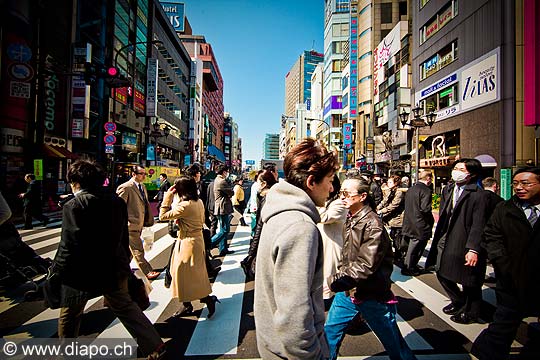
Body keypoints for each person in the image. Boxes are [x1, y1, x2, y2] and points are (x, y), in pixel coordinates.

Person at [52, 160, 165, 359]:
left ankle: (66, 353)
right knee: (125, 306)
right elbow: (123, 237)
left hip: (81, 269)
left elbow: (68, 244)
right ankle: (154, 345)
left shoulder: (74, 204)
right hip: (113, 265)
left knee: (70, 313)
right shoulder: (115, 201)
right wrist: (124, 260)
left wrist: (56, 271)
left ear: (75, 181)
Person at [254, 138, 338, 359]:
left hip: (273, 345)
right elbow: (294, 312)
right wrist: (312, 355)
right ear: (311, 181)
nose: (332, 187)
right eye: (329, 179)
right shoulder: (300, 226)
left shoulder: (279, 212)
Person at [324, 176, 417, 360]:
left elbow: (365, 265)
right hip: (348, 292)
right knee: (330, 333)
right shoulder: (351, 218)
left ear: (362, 196)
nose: (341, 197)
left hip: (371, 295)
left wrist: (334, 282)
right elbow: (348, 256)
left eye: (346, 194)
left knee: (394, 345)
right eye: (340, 192)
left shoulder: (373, 225)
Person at [471, 167, 540, 359]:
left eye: (525, 183)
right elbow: (491, 235)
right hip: (511, 275)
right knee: (505, 321)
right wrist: (501, 262)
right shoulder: (505, 208)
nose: (519, 187)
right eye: (515, 183)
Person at [427, 159, 489, 324]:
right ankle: (458, 300)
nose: (456, 171)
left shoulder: (479, 194)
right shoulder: (448, 189)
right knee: (440, 270)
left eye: (461, 169)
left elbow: (479, 223)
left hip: (466, 239)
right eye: (455, 168)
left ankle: (471, 311)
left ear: (472, 174)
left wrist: (474, 249)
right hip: (446, 237)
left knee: (469, 278)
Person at [159, 176, 220, 318]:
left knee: (183, 273)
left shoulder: (185, 206)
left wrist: (167, 197)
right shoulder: (197, 201)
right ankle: (191, 302)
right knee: (193, 273)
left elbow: (162, 216)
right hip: (195, 240)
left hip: (187, 242)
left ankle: (204, 299)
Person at [116, 165, 160, 280]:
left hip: (140, 223)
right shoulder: (126, 187)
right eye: (141, 174)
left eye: (145, 174)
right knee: (137, 249)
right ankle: (147, 271)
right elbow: (119, 207)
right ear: (133, 174)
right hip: (130, 225)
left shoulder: (142, 187)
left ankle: (120, 271)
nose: (144, 176)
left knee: (128, 252)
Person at [240, 169, 278, 280]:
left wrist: (251, 252)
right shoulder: (273, 196)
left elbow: (260, 226)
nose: (256, 185)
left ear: (264, 183)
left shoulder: (267, 199)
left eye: (258, 182)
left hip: (266, 241)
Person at [317, 174, 347, 303]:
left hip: (332, 245)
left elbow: (324, 217)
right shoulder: (327, 202)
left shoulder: (340, 203)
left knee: (329, 275)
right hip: (322, 244)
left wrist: (313, 201)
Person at [401, 170, 435, 275]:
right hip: (420, 223)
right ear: (428, 179)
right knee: (416, 247)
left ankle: (409, 265)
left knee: (411, 246)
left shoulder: (411, 189)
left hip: (409, 221)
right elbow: (425, 209)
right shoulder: (426, 191)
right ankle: (409, 268)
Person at [377, 175, 407, 268]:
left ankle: (399, 256)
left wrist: (381, 211)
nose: (388, 184)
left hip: (398, 218)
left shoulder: (399, 192)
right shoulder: (390, 191)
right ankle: (397, 255)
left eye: (390, 182)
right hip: (392, 218)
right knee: (394, 236)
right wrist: (377, 207)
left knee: (398, 238)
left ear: (396, 183)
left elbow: (394, 205)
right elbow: (384, 201)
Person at [210, 165, 234, 256]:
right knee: (224, 230)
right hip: (222, 207)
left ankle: (223, 248)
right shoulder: (222, 181)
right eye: (226, 172)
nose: (227, 173)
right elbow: (231, 192)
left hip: (220, 207)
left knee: (222, 229)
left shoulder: (217, 179)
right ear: (224, 172)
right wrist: (229, 193)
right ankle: (209, 245)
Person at [247, 170, 264, 236]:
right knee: (255, 225)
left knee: (254, 224)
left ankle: (253, 236)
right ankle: (253, 237)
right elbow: (255, 198)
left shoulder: (255, 185)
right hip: (255, 208)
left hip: (254, 208)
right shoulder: (257, 185)